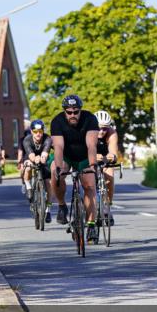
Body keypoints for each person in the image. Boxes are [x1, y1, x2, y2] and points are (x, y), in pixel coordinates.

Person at [49, 94, 100, 243]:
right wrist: (59, 168)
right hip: (66, 156)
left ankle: (91, 225)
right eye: (69, 112)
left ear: (80, 110)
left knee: (90, 186)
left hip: (84, 157)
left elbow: (91, 145)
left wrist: (92, 165)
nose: (73, 115)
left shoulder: (89, 119)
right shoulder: (57, 121)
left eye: (76, 111)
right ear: (65, 111)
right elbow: (58, 146)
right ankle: (62, 205)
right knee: (55, 172)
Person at [21, 119, 53, 222]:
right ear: (31, 131)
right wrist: (35, 159)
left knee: (49, 184)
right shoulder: (27, 140)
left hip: (43, 160)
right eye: (35, 131)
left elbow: (45, 154)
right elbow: (30, 155)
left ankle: (48, 210)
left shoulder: (47, 138)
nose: (38, 134)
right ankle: (28, 186)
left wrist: (42, 158)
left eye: (40, 131)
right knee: (28, 167)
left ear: (43, 131)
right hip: (30, 158)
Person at [94, 110, 120, 225]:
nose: (101, 131)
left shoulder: (112, 133)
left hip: (104, 157)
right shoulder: (88, 132)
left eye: (105, 128)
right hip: (90, 157)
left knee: (110, 174)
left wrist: (112, 156)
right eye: (99, 128)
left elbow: (114, 155)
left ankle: (107, 207)